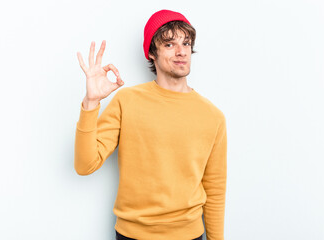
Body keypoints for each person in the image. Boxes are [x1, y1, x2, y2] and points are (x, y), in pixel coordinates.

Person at [74, 9, 227, 240]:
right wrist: (91, 102)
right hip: (132, 235)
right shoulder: (127, 101)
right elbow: (85, 165)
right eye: (169, 44)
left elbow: (215, 190)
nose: (181, 51)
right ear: (152, 53)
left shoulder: (213, 116)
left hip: (189, 235)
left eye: (186, 43)